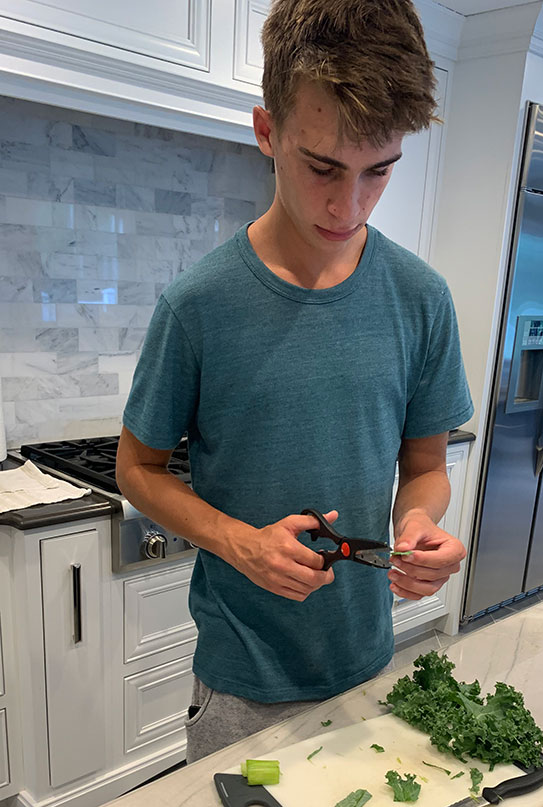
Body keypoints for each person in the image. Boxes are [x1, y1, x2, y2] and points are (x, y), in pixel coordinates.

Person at [116, 0, 473, 764]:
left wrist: (420, 527)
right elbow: (136, 470)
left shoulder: (421, 298)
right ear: (268, 132)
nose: (349, 206)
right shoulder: (199, 305)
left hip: (369, 667)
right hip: (241, 688)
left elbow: (427, 467)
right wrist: (239, 543)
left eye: (379, 172)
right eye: (323, 168)